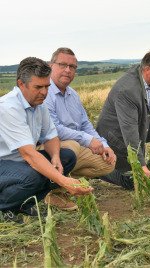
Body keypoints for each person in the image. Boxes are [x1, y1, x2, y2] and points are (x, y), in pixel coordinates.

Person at [0, 57, 93, 223]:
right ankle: (5, 205)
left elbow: (50, 136)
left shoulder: (39, 102)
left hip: (19, 161)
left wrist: (56, 158)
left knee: (67, 158)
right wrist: (64, 181)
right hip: (4, 162)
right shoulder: (9, 108)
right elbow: (29, 155)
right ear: (21, 84)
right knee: (33, 175)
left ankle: (24, 202)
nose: (44, 92)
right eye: (38, 87)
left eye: (47, 86)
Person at [96, 50, 150, 190]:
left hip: (143, 126)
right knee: (133, 182)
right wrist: (141, 164)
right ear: (147, 69)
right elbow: (129, 131)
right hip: (118, 137)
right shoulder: (128, 90)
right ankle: (99, 171)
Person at [43, 48, 116, 209]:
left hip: (71, 147)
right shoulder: (44, 92)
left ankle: (60, 181)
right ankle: (53, 193)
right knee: (73, 146)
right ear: (51, 66)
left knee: (107, 163)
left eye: (72, 67)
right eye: (62, 65)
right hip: (47, 146)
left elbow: (85, 124)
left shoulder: (73, 95)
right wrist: (87, 140)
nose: (67, 70)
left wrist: (104, 144)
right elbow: (54, 129)